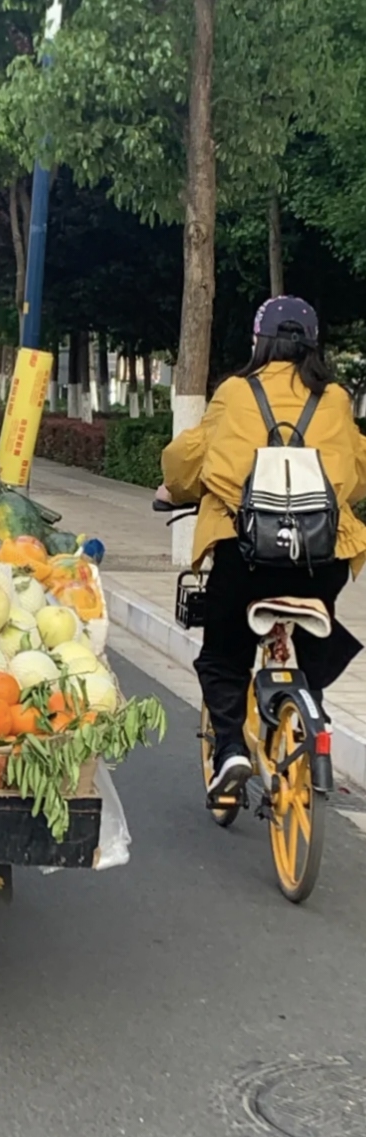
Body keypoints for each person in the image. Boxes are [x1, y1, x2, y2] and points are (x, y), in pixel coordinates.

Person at [160, 296, 366, 806]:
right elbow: (357, 469)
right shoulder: (336, 398)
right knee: (315, 629)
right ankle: (306, 709)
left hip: (245, 554)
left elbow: (189, 458)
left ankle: (230, 750)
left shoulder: (234, 391)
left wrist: (174, 490)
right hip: (321, 560)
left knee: (223, 656)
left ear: (260, 342)